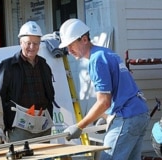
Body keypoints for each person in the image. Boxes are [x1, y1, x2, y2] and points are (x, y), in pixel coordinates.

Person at [59, 18, 150, 160]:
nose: (69, 50)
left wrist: (79, 126)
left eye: (71, 45)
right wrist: (107, 116)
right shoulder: (106, 53)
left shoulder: (96, 60)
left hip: (127, 116)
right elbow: (119, 91)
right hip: (139, 113)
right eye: (67, 47)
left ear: (84, 39)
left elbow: (104, 102)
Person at [0, 21, 55, 142]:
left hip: (43, 125)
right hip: (19, 128)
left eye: (35, 43)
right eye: (28, 43)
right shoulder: (7, 67)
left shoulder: (44, 66)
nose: (32, 47)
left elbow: (50, 95)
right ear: (21, 43)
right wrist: (2, 126)